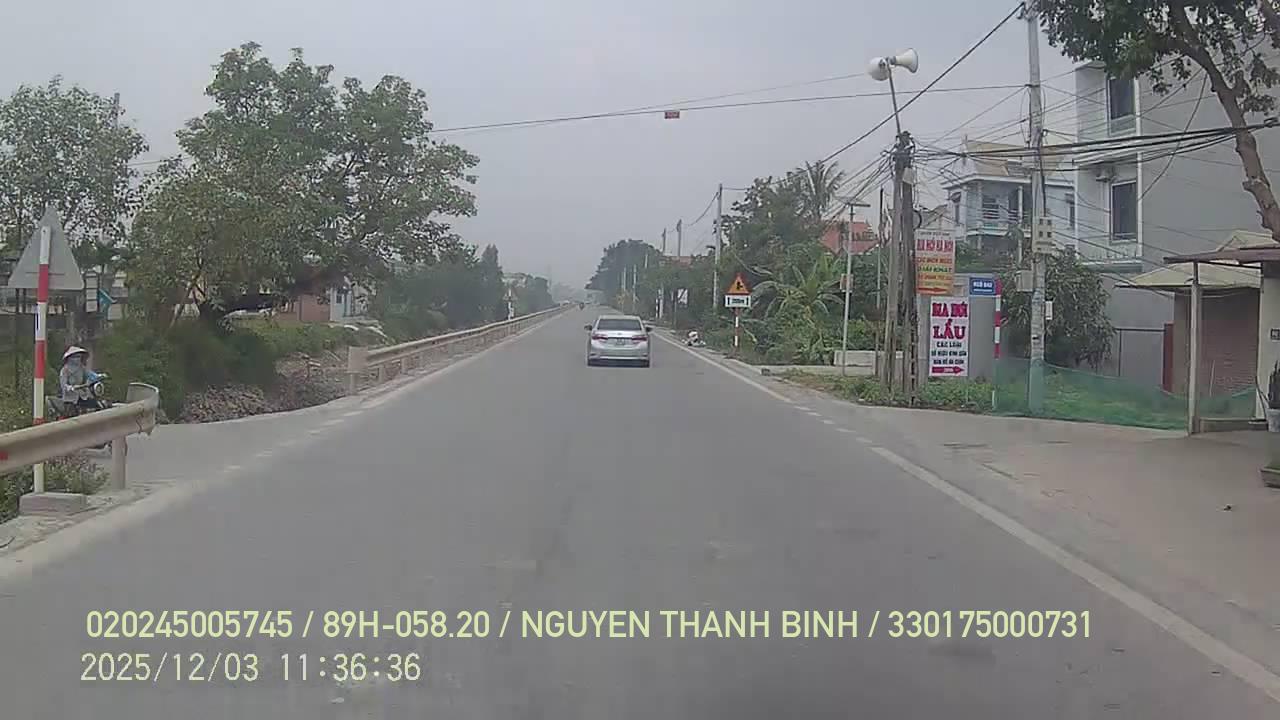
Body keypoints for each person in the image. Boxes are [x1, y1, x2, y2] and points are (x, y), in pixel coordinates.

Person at [59, 346, 99, 415]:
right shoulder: (64, 370)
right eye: (76, 357)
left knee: (95, 405)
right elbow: (63, 385)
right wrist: (70, 387)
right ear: (70, 358)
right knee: (72, 413)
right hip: (70, 398)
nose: (78, 359)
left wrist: (98, 376)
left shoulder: (81, 368)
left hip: (82, 395)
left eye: (79, 357)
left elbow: (89, 373)